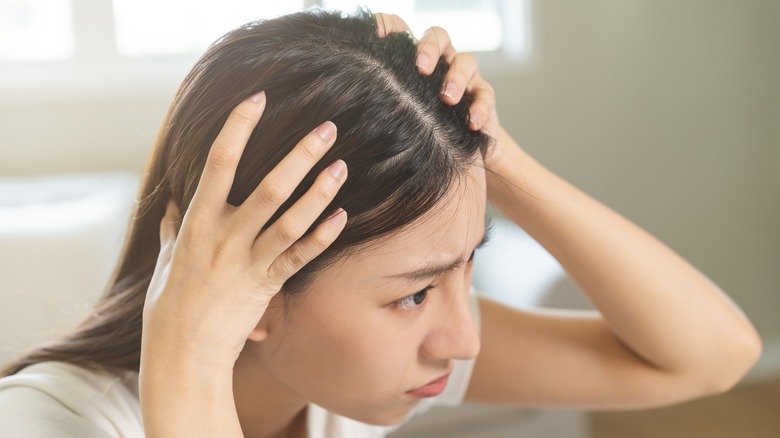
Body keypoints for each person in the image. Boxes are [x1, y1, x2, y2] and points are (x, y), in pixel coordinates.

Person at [0, 9, 762, 438]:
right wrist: (188, 359)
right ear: (255, 296)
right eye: (413, 295)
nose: (462, 340)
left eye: (465, 268)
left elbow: (710, 359)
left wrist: (498, 160)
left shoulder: (329, 378)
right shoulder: (46, 425)